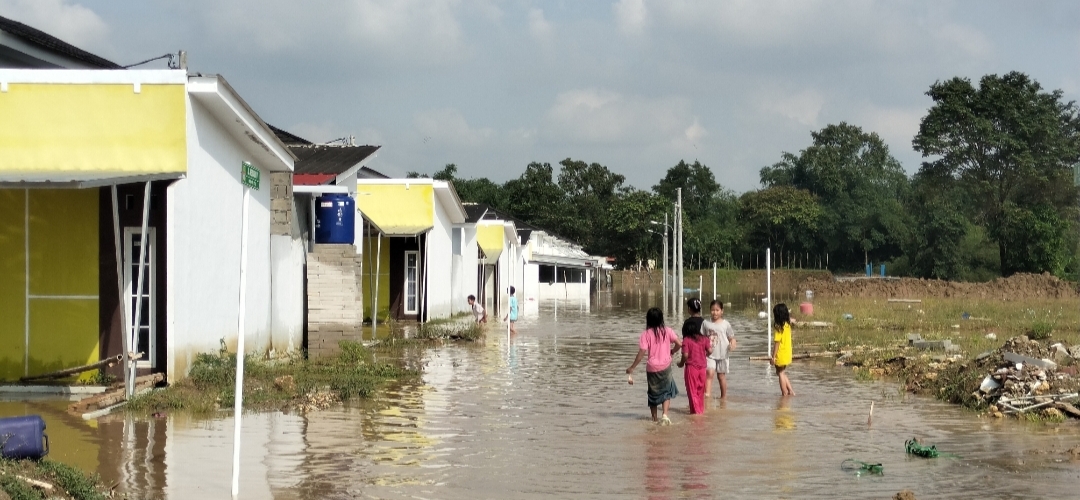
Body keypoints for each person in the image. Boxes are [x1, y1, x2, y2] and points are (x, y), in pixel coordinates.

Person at [626, 307, 682, 424]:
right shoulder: (667, 331)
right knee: (666, 391)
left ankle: (654, 419)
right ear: (661, 318)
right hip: (665, 366)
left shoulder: (646, 334)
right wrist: (672, 351)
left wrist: (632, 367)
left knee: (653, 393)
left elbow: (642, 353)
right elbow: (679, 344)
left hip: (652, 368)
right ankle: (665, 415)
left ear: (648, 320)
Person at [677, 298, 711, 414]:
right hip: (703, 367)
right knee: (700, 391)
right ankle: (700, 411)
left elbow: (685, 354)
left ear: (689, 309)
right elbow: (710, 350)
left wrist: (681, 363)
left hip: (692, 367)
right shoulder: (704, 336)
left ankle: (696, 415)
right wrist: (704, 354)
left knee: (692, 392)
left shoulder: (687, 339)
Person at [702, 300, 737, 399]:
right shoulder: (706, 323)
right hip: (709, 354)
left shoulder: (726, 324)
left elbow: (732, 337)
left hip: (722, 354)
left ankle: (723, 398)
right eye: (712, 310)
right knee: (710, 373)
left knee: (721, 376)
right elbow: (701, 337)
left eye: (717, 310)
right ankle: (707, 395)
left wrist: (733, 344)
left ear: (722, 311)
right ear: (710, 311)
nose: (715, 312)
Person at [770, 303, 795, 396]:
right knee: (782, 372)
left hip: (780, 353)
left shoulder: (778, 327)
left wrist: (773, 357)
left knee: (780, 373)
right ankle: (791, 391)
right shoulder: (787, 325)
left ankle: (784, 393)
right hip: (787, 352)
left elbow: (777, 343)